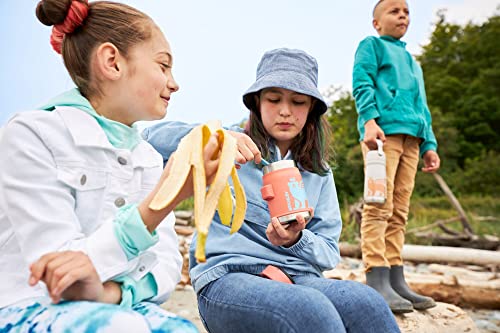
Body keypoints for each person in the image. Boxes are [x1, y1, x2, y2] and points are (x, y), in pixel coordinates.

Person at [0, 0, 222, 332]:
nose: (174, 83)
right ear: (112, 62)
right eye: (163, 66)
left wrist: (111, 292)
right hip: (26, 309)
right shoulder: (31, 135)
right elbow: (60, 276)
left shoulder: (146, 155)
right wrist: (164, 198)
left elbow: (166, 266)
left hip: (116, 305)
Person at [144, 48, 400, 333]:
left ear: (312, 109)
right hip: (229, 277)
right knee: (309, 310)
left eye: (298, 102)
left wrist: (296, 240)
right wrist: (215, 137)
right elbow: (148, 140)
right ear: (257, 103)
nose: (285, 111)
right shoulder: (225, 145)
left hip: (298, 277)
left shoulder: (319, 172)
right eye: (274, 99)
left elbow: (329, 253)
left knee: (367, 302)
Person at [352, 0, 440, 313]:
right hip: (382, 136)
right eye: (394, 11)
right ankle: (376, 276)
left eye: (406, 12)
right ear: (376, 22)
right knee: (379, 204)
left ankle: (395, 276)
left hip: (413, 139)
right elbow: (362, 82)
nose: (402, 15)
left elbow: (423, 105)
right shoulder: (371, 46)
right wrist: (370, 120)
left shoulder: (413, 62)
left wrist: (429, 143)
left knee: (400, 209)